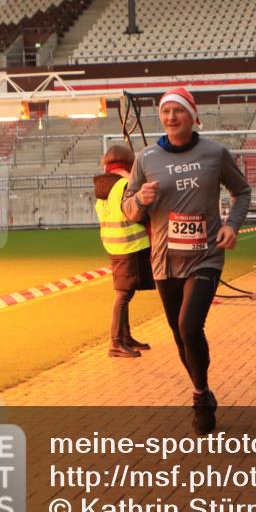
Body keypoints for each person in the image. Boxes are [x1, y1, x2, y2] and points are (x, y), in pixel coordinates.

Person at [122, 86, 251, 435]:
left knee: (189, 326)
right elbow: (129, 208)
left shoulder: (214, 153)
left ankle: (198, 398)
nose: (171, 118)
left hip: (206, 255)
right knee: (179, 337)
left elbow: (242, 192)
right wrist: (142, 200)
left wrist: (231, 225)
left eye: (178, 111)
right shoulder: (146, 159)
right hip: (164, 259)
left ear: (192, 115)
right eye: (165, 112)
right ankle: (203, 391)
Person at [94, 145, 154, 358]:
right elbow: (137, 213)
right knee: (124, 294)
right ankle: (116, 342)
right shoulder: (127, 184)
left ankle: (125, 337)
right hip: (132, 245)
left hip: (114, 245)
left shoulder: (103, 186)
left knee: (125, 292)